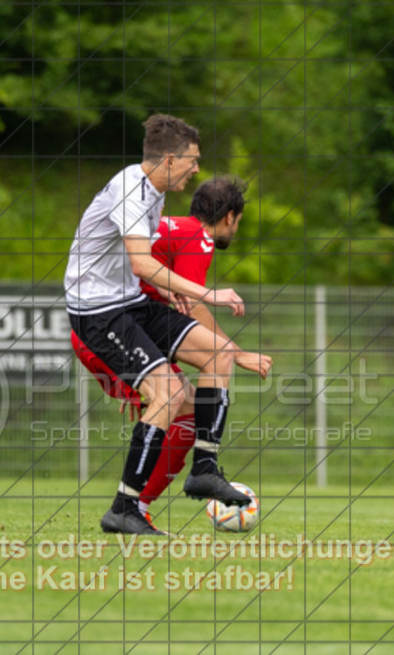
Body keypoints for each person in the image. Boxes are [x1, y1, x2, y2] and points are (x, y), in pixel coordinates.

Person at [64, 114, 255, 535]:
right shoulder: (132, 190)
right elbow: (142, 261)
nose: (197, 169)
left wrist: (167, 290)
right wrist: (208, 294)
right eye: (193, 160)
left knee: (219, 355)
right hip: (98, 311)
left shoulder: (153, 193)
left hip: (128, 300)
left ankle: (204, 467)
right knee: (168, 395)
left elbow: (139, 267)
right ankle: (124, 509)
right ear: (169, 160)